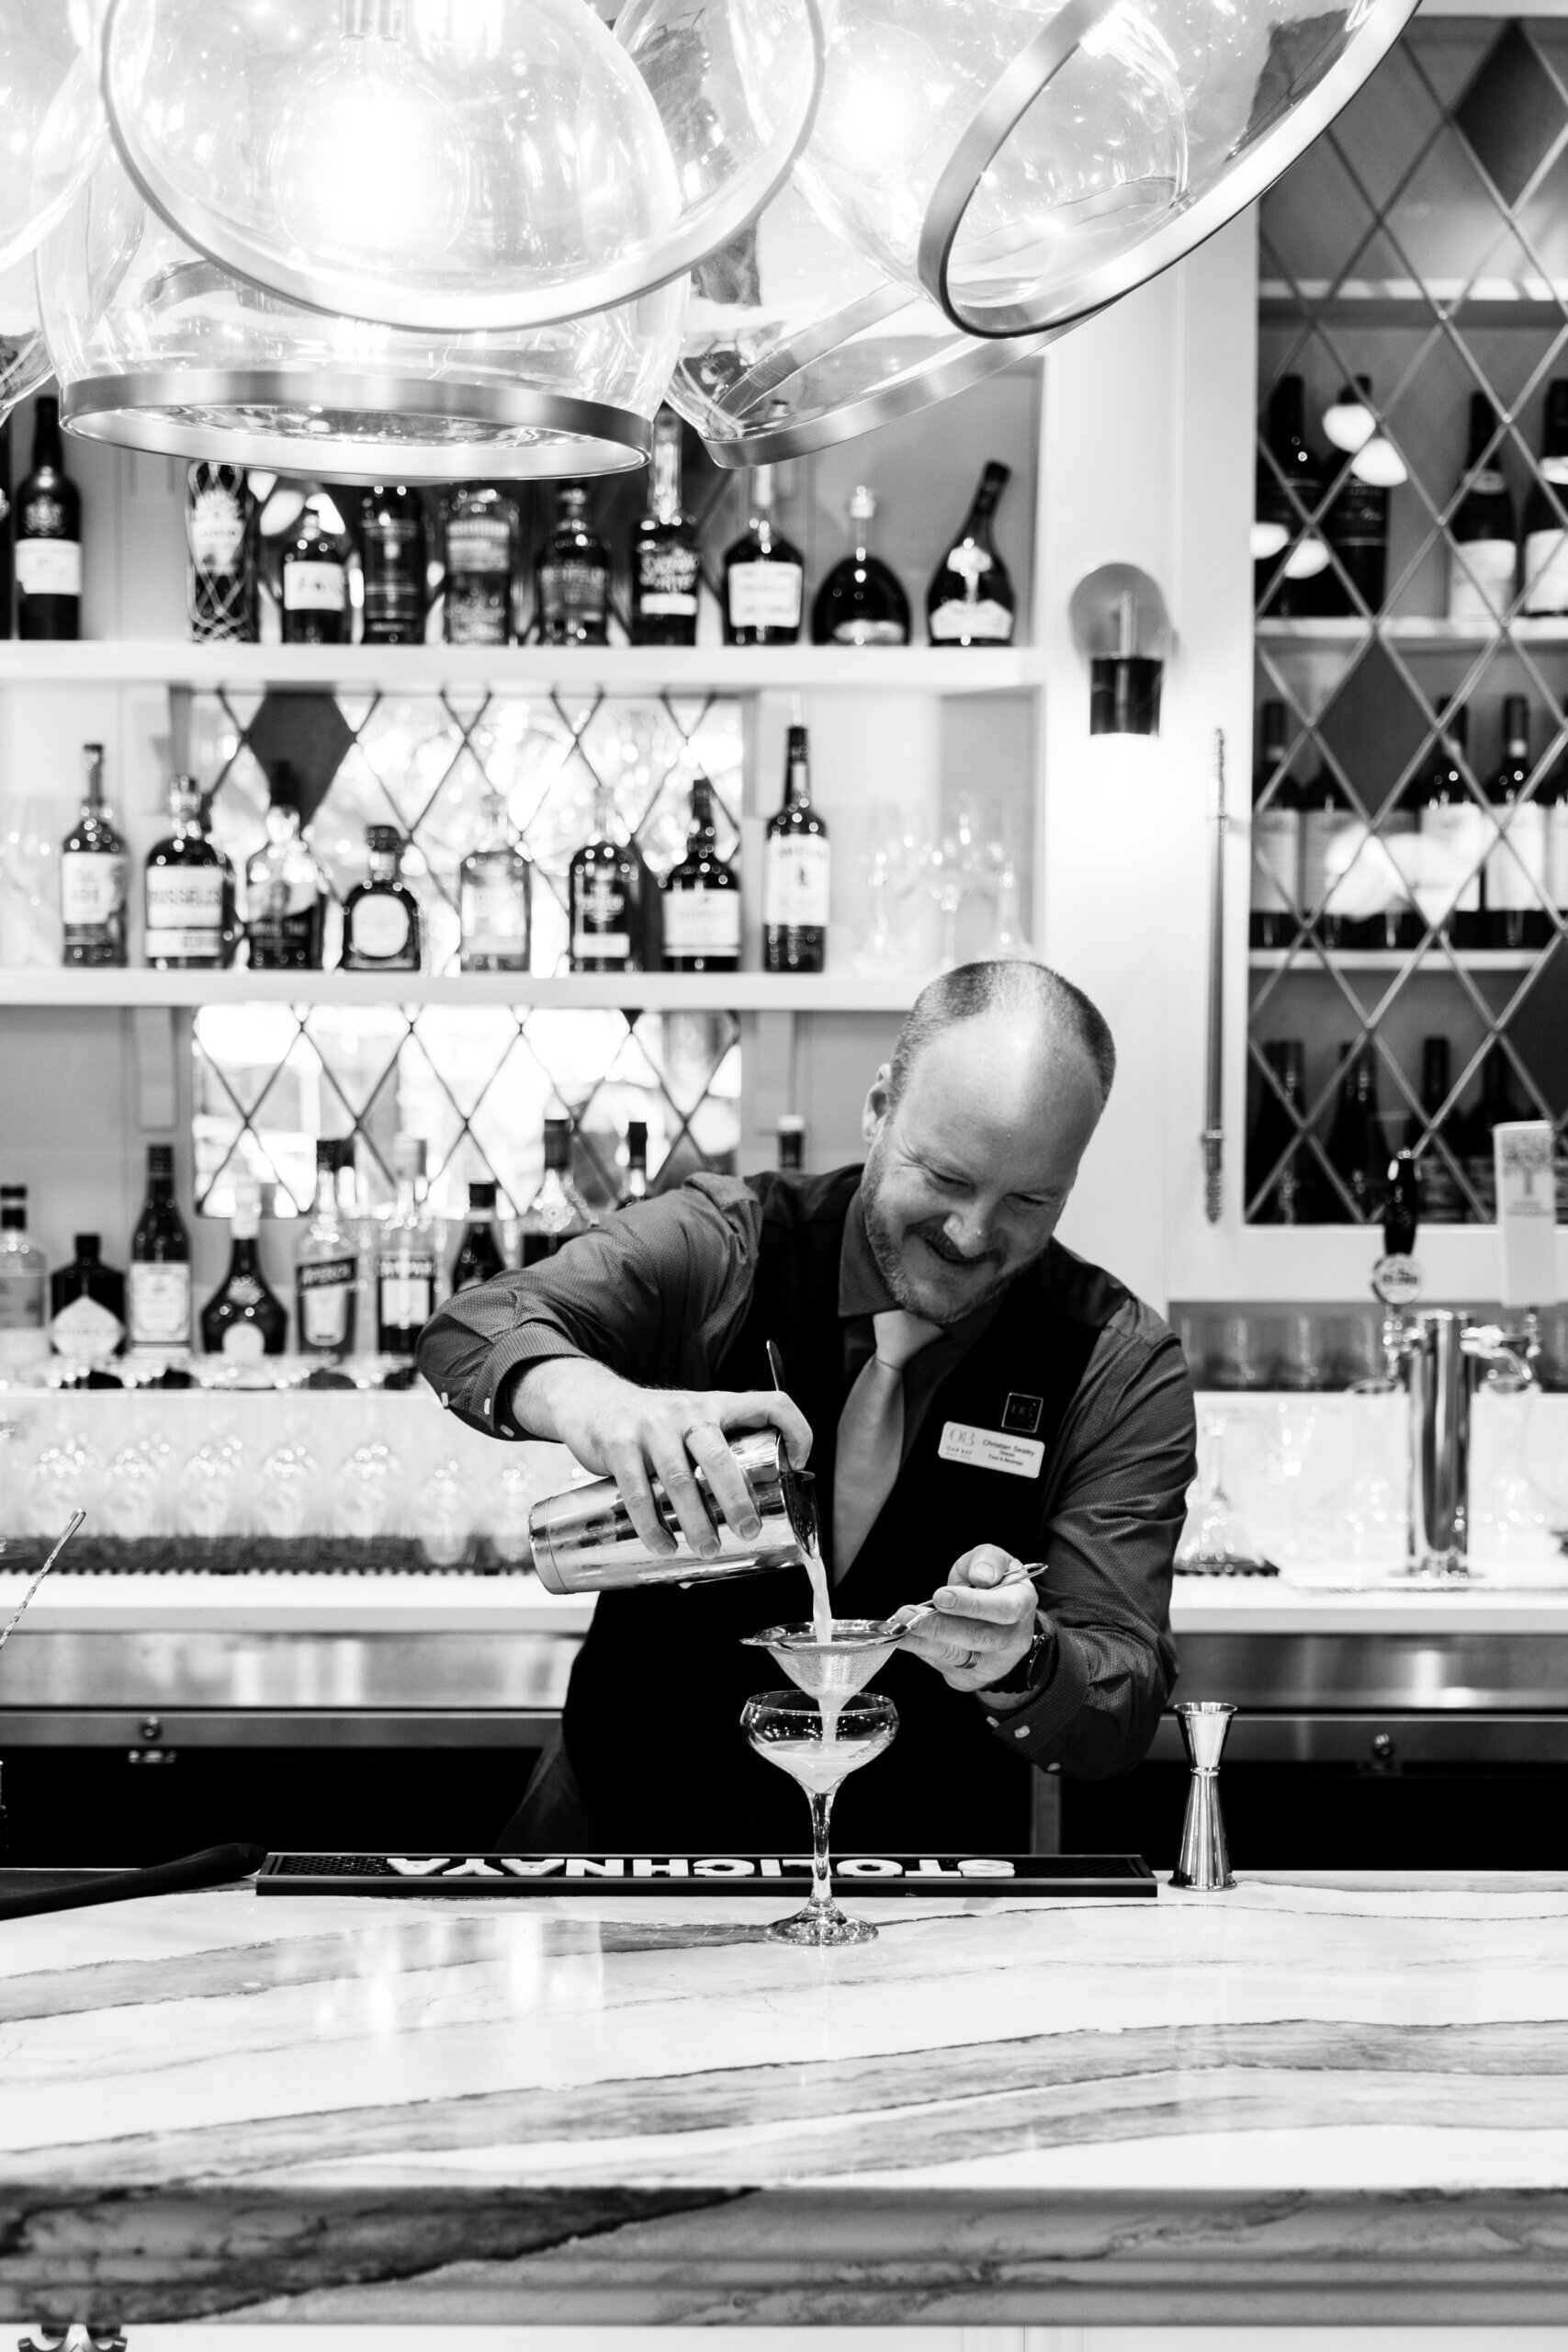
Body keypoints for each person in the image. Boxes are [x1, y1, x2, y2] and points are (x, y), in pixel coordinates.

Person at [418, 959, 1195, 1852]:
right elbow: (467, 1328)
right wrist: (589, 1398)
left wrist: (1028, 1657)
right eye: (944, 1175)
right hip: (621, 1847)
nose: (974, 1234)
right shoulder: (730, 1242)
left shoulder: (1119, 1363)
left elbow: (1122, 1707)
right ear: (878, 1109)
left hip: (921, 1894)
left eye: (1030, 1199)